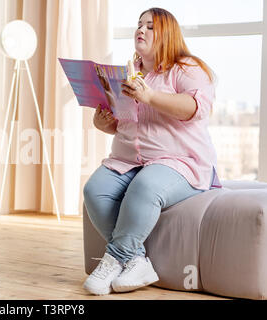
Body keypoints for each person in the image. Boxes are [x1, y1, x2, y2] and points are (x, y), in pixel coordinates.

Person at [82, 7, 222, 295]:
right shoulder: (129, 74)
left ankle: (114, 259)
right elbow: (129, 125)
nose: (141, 30)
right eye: (139, 25)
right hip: (130, 161)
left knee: (145, 187)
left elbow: (195, 109)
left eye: (150, 26)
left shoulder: (187, 69)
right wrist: (103, 123)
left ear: (167, 34)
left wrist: (151, 96)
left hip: (180, 162)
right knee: (94, 190)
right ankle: (136, 260)